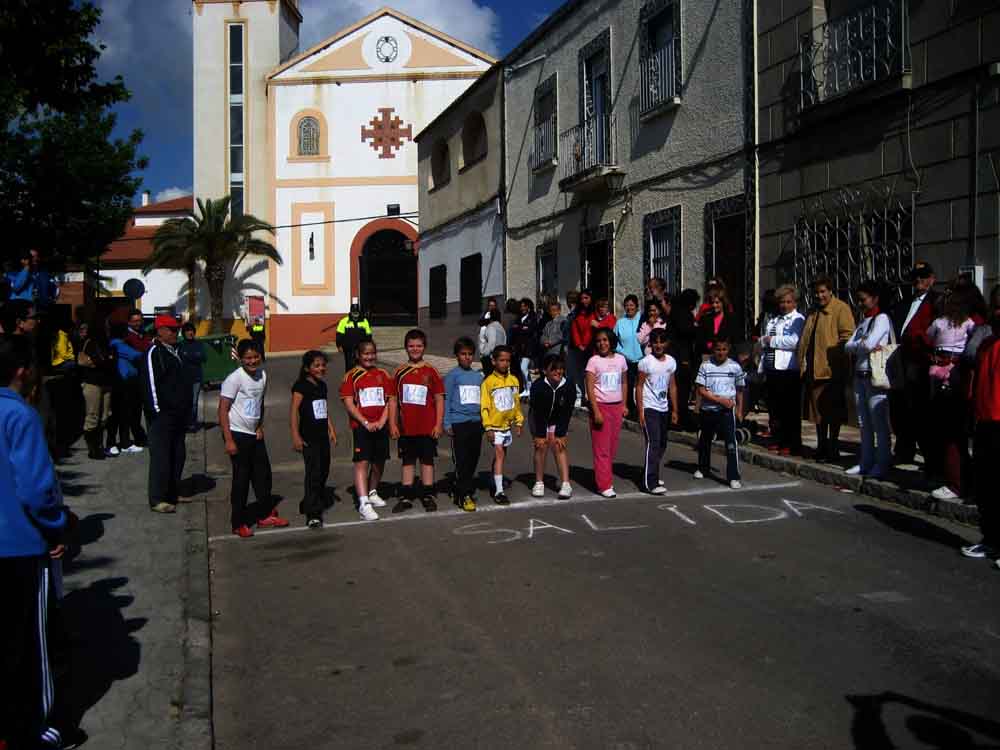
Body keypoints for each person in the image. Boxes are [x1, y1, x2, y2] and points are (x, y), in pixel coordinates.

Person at [0, 335, 70, 750]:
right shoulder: (19, 415)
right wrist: (56, 525)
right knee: (31, 643)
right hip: (21, 546)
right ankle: (36, 728)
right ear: (23, 371)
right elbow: (35, 489)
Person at [219, 339, 289, 537]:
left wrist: (259, 426)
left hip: (254, 434)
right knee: (241, 480)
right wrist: (229, 439)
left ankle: (265, 514)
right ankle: (238, 522)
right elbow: (223, 409)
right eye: (248, 358)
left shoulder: (262, 375)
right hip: (237, 433)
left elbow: (259, 403)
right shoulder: (235, 379)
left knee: (263, 476)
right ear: (240, 359)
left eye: (256, 357)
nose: (252, 361)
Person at [925, 282, 978, 502]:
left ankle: (955, 481)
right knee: (954, 433)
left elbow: (929, 336)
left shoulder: (939, 322)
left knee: (950, 432)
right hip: (956, 373)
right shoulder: (968, 323)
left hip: (947, 374)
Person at [961, 286, 1000, 562]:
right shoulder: (986, 344)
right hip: (985, 421)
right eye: (995, 306)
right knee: (986, 486)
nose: (998, 312)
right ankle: (991, 539)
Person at [798, 276, 855, 462]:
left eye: (823, 291)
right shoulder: (813, 311)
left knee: (833, 411)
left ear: (830, 291)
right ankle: (822, 444)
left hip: (831, 369)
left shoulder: (841, 309)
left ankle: (833, 445)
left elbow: (847, 336)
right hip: (813, 368)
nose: (819, 295)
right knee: (817, 412)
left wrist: (836, 358)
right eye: (816, 292)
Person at [142, 315, 193, 514]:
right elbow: (151, 385)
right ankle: (157, 498)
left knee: (178, 454)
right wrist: (157, 412)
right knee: (161, 457)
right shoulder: (154, 352)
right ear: (160, 331)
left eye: (176, 329)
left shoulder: (174, 351)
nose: (175, 333)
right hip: (162, 417)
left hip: (178, 416)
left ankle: (172, 492)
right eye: (171, 330)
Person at [340, 339, 395, 521]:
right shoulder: (351, 376)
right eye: (365, 353)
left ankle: (372, 491)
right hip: (361, 427)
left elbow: (389, 401)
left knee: (379, 461)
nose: (369, 357)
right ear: (358, 355)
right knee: (362, 462)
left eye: (372, 353)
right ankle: (363, 503)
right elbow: (349, 404)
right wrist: (365, 422)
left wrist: (382, 421)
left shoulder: (383, 374)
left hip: (380, 426)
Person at [889, 262, 938, 467]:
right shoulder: (904, 303)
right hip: (902, 360)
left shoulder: (938, 301)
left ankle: (930, 456)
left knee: (922, 412)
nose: (919, 280)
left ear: (932, 278)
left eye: (924, 276)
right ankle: (904, 449)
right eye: (916, 277)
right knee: (901, 408)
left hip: (922, 362)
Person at [391, 330, 445, 514]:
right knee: (407, 460)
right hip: (406, 427)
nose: (415, 349)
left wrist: (438, 424)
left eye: (419, 346)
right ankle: (406, 495)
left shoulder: (431, 371)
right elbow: (393, 400)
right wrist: (392, 423)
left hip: (427, 427)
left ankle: (428, 494)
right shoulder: (399, 372)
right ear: (406, 348)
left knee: (427, 459)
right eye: (411, 346)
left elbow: (439, 398)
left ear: (424, 347)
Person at [845, 281, 893, 479]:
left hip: (874, 376)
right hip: (859, 376)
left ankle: (882, 463)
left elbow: (871, 343)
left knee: (878, 423)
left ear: (875, 299)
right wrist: (861, 344)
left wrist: (861, 344)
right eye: (859, 299)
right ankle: (865, 461)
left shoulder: (881, 319)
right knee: (863, 423)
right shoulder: (864, 321)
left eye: (863, 299)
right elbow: (848, 346)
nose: (860, 303)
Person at [291, 350, 338, 529]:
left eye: (323, 365)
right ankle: (313, 513)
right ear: (307, 368)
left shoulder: (322, 386)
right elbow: (294, 411)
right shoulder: (300, 386)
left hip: (322, 437)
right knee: (314, 473)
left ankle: (310, 501)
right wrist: (295, 435)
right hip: (308, 437)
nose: (321, 368)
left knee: (324, 469)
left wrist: (331, 429)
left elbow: (323, 409)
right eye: (316, 365)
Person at [760, 286, 806, 456]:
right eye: (782, 302)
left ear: (795, 303)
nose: (785, 305)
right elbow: (764, 341)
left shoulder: (798, 319)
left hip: (788, 369)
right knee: (775, 408)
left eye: (788, 302)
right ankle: (778, 438)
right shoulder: (774, 319)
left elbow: (795, 341)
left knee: (790, 409)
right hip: (772, 368)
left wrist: (771, 340)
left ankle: (791, 442)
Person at [694, 337, 745, 488]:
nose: (721, 353)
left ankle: (733, 476)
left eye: (724, 349)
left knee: (730, 443)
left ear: (728, 350)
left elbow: (740, 389)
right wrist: (718, 400)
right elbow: (701, 389)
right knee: (705, 440)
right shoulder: (706, 366)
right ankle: (703, 468)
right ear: (713, 350)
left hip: (727, 411)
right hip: (708, 409)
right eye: (718, 349)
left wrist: (740, 409)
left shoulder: (735, 367)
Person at [585, 328, 629, 498]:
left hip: (616, 407)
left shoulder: (620, 360)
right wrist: (595, 410)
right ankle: (604, 485)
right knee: (601, 448)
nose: (602, 344)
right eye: (598, 341)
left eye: (605, 340)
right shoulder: (593, 361)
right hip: (600, 407)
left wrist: (624, 404)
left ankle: (604, 477)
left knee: (611, 447)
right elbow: (589, 387)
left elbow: (624, 382)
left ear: (611, 341)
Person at [443, 337, 484, 512]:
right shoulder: (452, 376)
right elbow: (446, 400)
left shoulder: (478, 376)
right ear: (457, 356)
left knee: (473, 457)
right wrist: (447, 422)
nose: (467, 357)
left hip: (476, 423)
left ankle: (462, 485)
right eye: (463, 354)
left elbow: (483, 400)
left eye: (469, 354)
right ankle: (464, 494)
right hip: (459, 423)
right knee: (461, 460)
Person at [480, 344, 523, 504]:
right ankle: (499, 491)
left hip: (507, 427)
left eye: (507, 360)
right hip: (494, 426)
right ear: (494, 361)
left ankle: (494, 479)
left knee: (502, 455)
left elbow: (516, 403)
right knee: (499, 454)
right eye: (501, 360)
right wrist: (488, 427)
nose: (505, 363)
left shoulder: (513, 380)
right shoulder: (488, 382)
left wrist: (518, 421)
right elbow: (484, 406)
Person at [637, 328, 679, 494]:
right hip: (649, 407)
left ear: (667, 343)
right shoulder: (646, 362)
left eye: (662, 341)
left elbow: (672, 386)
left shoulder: (671, 362)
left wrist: (675, 410)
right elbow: (639, 386)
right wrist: (640, 411)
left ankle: (649, 472)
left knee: (662, 444)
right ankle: (650, 483)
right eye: (655, 342)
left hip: (664, 408)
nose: (658, 345)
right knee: (653, 443)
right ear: (650, 344)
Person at [528, 353, 574, 499]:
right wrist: (540, 435)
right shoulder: (538, 387)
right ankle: (539, 482)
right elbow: (538, 413)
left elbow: (566, 412)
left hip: (557, 419)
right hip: (538, 418)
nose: (558, 372)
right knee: (541, 446)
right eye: (553, 369)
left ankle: (566, 484)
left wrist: (561, 433)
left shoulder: (568, 386)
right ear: (544, 371)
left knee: (559, 445)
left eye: (561, 368)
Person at [76, 318, 116, 460]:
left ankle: (99, 444)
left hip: (106, 382)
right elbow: (90, 362)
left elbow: (108, 361)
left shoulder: (107, 343)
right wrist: (105, 360)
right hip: (92, 383)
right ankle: (93, 449)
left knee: (105, 416)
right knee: (92, 416)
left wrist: (104, 361)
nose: (108, 328)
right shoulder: (89, 343)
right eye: (105, 326)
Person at [107, 324, 145, 454]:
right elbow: (136, 355)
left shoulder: (116, 344)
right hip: (124, 383)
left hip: (122, 383)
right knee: (122, 414)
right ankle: (119, 443)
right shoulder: (118, 345)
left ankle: (123, 442)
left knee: (122, 415)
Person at [670, 289, 699, 431]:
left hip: (677, 355)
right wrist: (696, 328)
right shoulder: (683, 314)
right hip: (681, 356)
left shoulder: (675, 311)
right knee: (682, 389)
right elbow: (686, 332)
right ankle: (679, 418)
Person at [615, 294, 643, 420]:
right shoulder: (620, 322)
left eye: (631, 305)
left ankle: (642, 410)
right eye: (626, 305)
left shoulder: (642, 319)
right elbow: (613, 340)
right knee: (629, 384)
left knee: (642, 386)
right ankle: (631, 410)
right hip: (627, 360)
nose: (629, 308)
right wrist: (622, 352)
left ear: (637, 306)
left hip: (643, 359)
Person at [178, 322, 207, 432]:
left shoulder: (199, 344)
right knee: (185, 401)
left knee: (194, 402)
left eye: (192, 331)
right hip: (183, 378)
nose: (190, 333)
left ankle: (192, 423)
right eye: (187, 331)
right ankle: (184, 422)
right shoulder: (180, 345)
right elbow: (181, 358)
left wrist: (188, 355)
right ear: (184, 333)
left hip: (196, 378)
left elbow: (203, 357)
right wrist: (194, 356)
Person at [569, 289, 595, 406]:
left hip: (593, 347)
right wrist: (579, 345)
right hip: (580, 348)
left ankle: (591, 397)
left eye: (586, 298)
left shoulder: (595, 312)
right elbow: (574, 330)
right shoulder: (578, 313)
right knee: (580, 373)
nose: (584, 301)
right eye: (582, 298)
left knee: (592, 373)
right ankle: (580, 395)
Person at [695, 288, 737, 358]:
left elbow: (734, 339)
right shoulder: (705, 318)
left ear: (723, 303)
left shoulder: (731, 318)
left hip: (726, 356)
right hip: (708, 355)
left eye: (717, 303)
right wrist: (708, 345)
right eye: (712, 303)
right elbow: (699, 338)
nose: (714, 305)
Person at [509, 298, 538, 397]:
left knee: (523, 368)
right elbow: (515, 331)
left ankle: (529, 388)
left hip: (528, 348)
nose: (522, 308)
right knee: (523, 370)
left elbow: (530, 330)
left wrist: (521, 329)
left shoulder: (532, 317)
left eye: (524, 306)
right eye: (521, 306)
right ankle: (528, 388)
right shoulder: (519, 318)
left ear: (528, 307)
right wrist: (522, 329)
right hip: (520, 348)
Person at [335, 304, 373, 374]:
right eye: (354, 312)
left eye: (357, 312)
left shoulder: (364, 321)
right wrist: (339, 345)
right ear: (351, 312)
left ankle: (361, 378)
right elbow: (339, 334)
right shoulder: (344, 321)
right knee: (349, 365)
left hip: (361, 348)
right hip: (348, 348)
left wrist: (369, 346)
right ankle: (349, 379)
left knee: (361, 364)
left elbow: (369, 335)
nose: (355, 313)